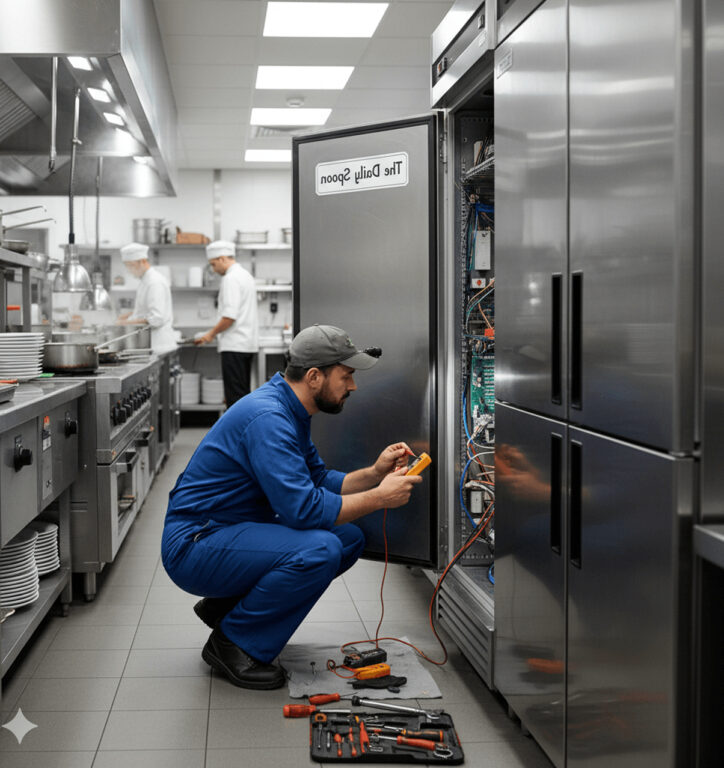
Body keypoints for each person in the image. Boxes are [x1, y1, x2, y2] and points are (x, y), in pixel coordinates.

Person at [161, 324, 423, 689]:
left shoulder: (289, 409)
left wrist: (375, 473)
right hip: (196, 543)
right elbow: (304, 511)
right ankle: (234, 642)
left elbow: (317, 479)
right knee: (321, 548)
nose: (353, 386)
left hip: (228, 532)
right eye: (346, 376)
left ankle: (228, 608)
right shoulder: (269, 418)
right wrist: (381, 498)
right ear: (314, 377)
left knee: (347, 538)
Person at [194, 240, 258, 406]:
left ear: (222, 258)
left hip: (234, 345)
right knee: (241, 395)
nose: (214, 270)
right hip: (245, 344)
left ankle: (238, 424)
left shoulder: (231, 278)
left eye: (213, 264)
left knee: (235, 399)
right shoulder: (245, 275)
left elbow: (229, 316)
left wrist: (210, 334)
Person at [117, 242, 176, 353]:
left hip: (159, 346)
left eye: (131, 265)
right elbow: (146, 311)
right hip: (152, 344)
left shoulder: (154, 282)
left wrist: (126, 323)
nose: (129, 270)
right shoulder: (145, 280)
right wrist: (129, 315)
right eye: (127, 266)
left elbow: (157, 319)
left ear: (142, 261)